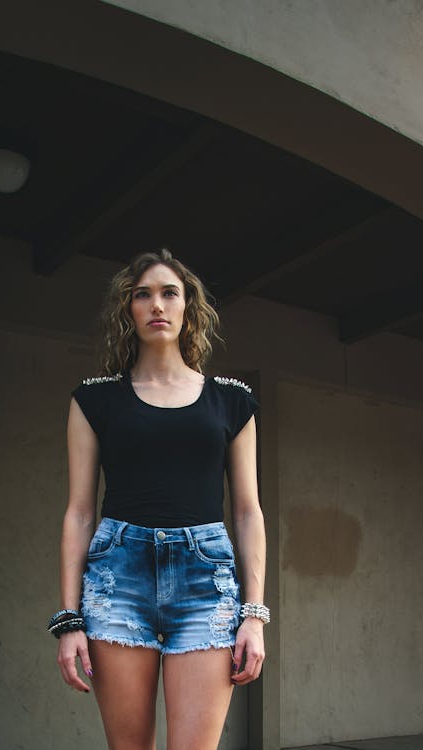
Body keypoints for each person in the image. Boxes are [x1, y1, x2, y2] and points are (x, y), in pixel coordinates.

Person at [49, 248, 268, 750]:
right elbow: (80, 511)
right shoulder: (95, 399)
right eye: (142, 294)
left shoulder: (231, 400)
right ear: (128, 310)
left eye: (170, 292)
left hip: (206, 583)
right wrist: (69, 620)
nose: (157, 305)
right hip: (117, 579)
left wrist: (253, 615)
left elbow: (248, 511)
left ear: (189, 306)